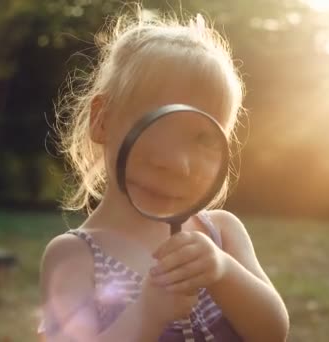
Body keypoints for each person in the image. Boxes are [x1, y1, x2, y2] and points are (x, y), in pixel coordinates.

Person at [38, 5, 289, 341]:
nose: (178, 163)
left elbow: (272, 332)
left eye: (202, 137)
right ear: (102, 120)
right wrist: (147, 314)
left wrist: (224, 272)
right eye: (156, 127)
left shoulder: (223, 233)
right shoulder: (74, 256)